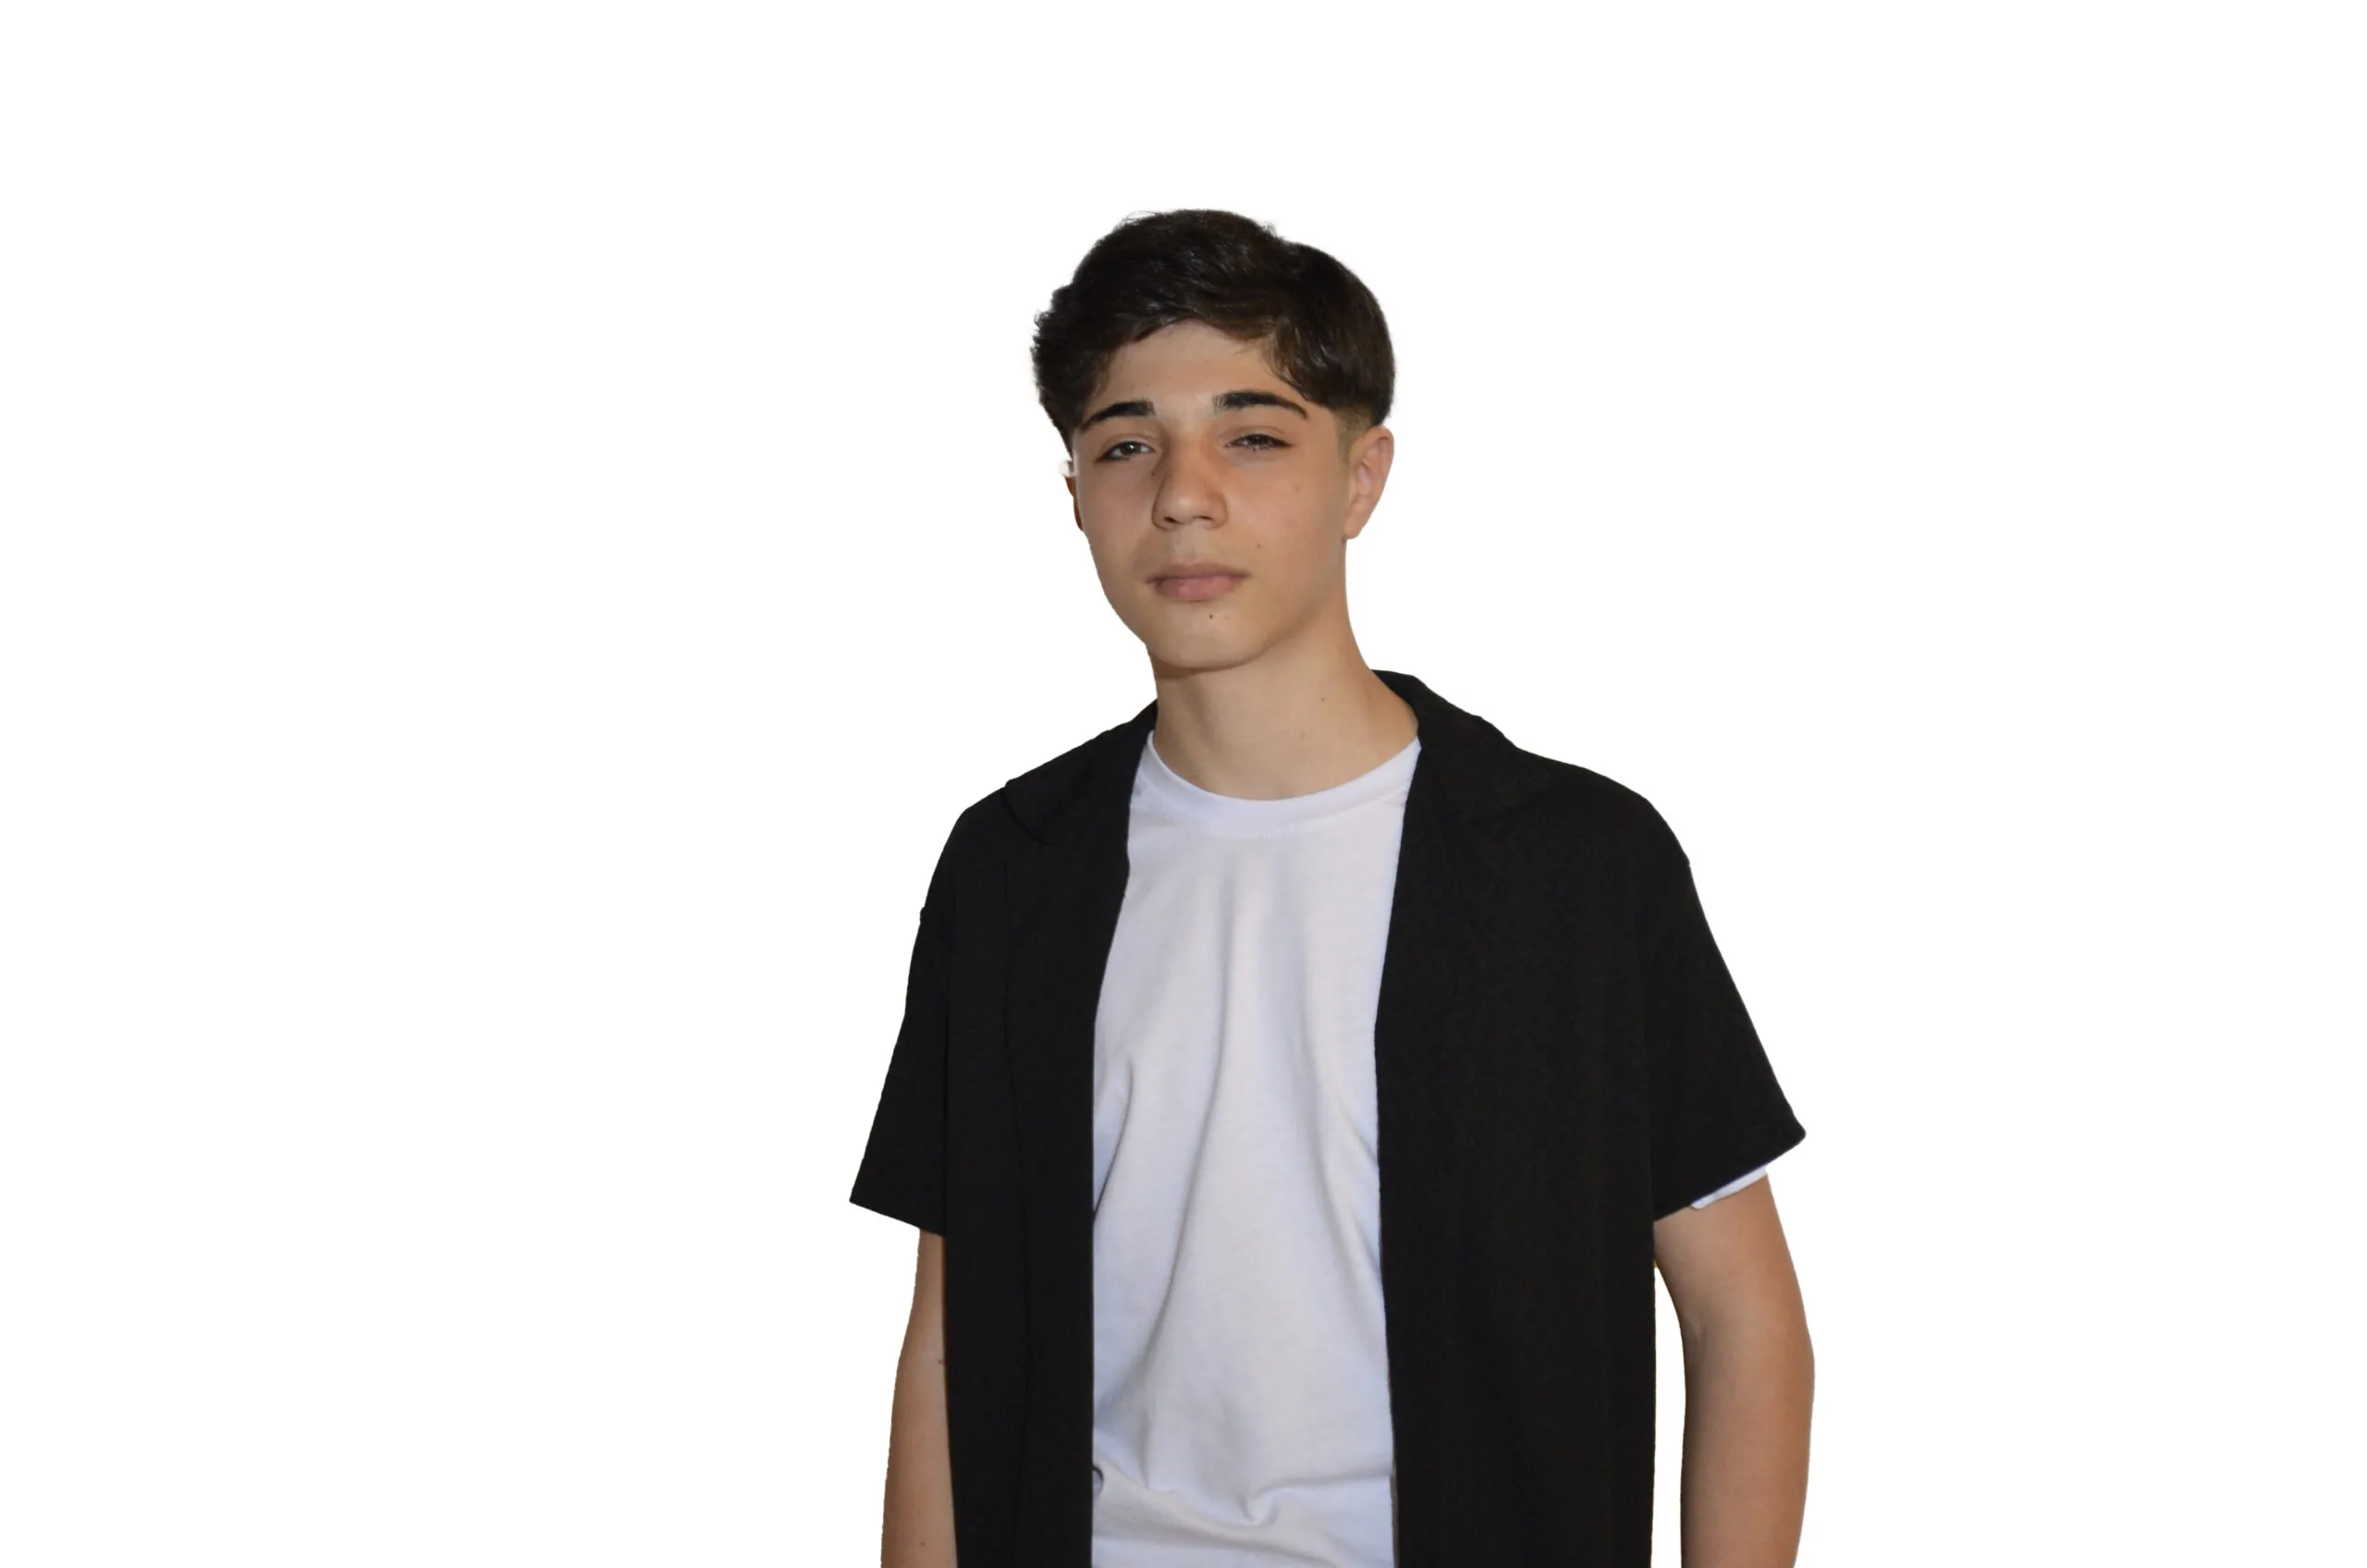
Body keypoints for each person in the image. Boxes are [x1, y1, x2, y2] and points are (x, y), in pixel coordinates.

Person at [850, 208, 1811, 1568]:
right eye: (1126, 444)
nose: (1184, 493)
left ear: (1363, 477)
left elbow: (1740, 1318)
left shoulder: (1576, 865)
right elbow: (952, 1337)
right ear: (1074, 493)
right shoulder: (1014, 869)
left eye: (1253, 435)